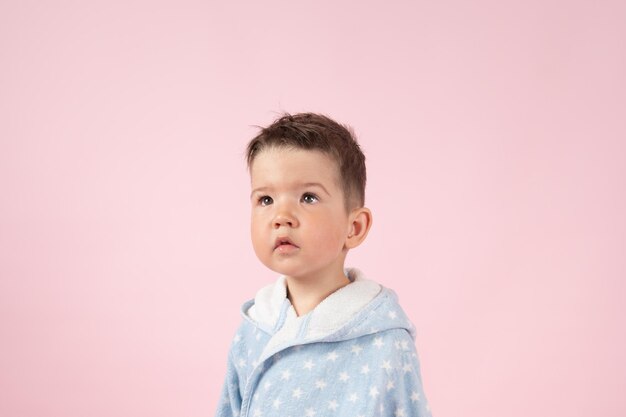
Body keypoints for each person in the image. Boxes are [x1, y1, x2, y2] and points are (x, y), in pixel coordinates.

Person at [215, 113, 432, 417]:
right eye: (265, 200)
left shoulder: (384, 339)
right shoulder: (253, 329)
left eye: (308, 197)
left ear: (354, 227)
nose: (282, 216)